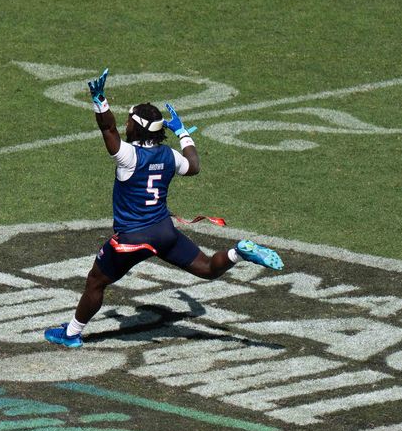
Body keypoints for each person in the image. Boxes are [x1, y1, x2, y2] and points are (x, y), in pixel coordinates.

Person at [45, 69, 285, 349]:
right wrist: (182, 132)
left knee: (95, 281)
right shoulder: (170, 156)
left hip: (133, 239)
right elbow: (193, 166)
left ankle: (71, 333)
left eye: (128, 120)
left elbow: (107, 129)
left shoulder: (128, 156)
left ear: (137, 128)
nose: (124, 124)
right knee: (208, 268)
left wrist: (100, 101)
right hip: (163, 232)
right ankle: (238, 253)